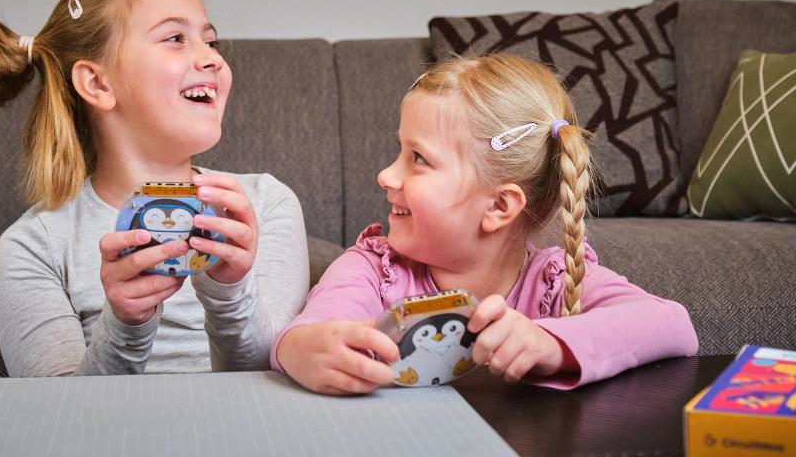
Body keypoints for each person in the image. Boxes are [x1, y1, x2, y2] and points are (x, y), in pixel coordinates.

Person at [0, 0, 309, 377]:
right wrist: (125, 324)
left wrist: (229, 294)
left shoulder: (265, 205)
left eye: (211, 40)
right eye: (176, 38)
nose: (213, 58)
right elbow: (57, 415)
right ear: (98, 84)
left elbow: (274, 383)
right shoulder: (34, 245)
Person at [272, 53, 698, 394]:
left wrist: (551, 343)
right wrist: (300, 349)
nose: (386, 175)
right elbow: (313, 329)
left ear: (498, 206)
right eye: (399, 151)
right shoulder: (372, 268)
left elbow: (673, 326)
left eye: (417, 159)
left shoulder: (554, 282)